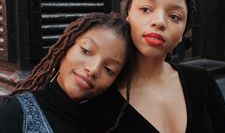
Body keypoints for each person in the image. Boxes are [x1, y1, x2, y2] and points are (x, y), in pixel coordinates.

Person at [80, 0, 225, 133]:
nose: (160, 22)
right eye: (146, 9)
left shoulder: (201, 82)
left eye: (174, 16)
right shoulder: (100, 95)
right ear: (128, 16)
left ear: (183, 33)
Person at [0, 13, 136, 133]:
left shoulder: (103, 126)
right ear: (65, 47)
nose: (93, 69)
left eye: (109, 69)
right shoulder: (13, 112)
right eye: (86, 50)